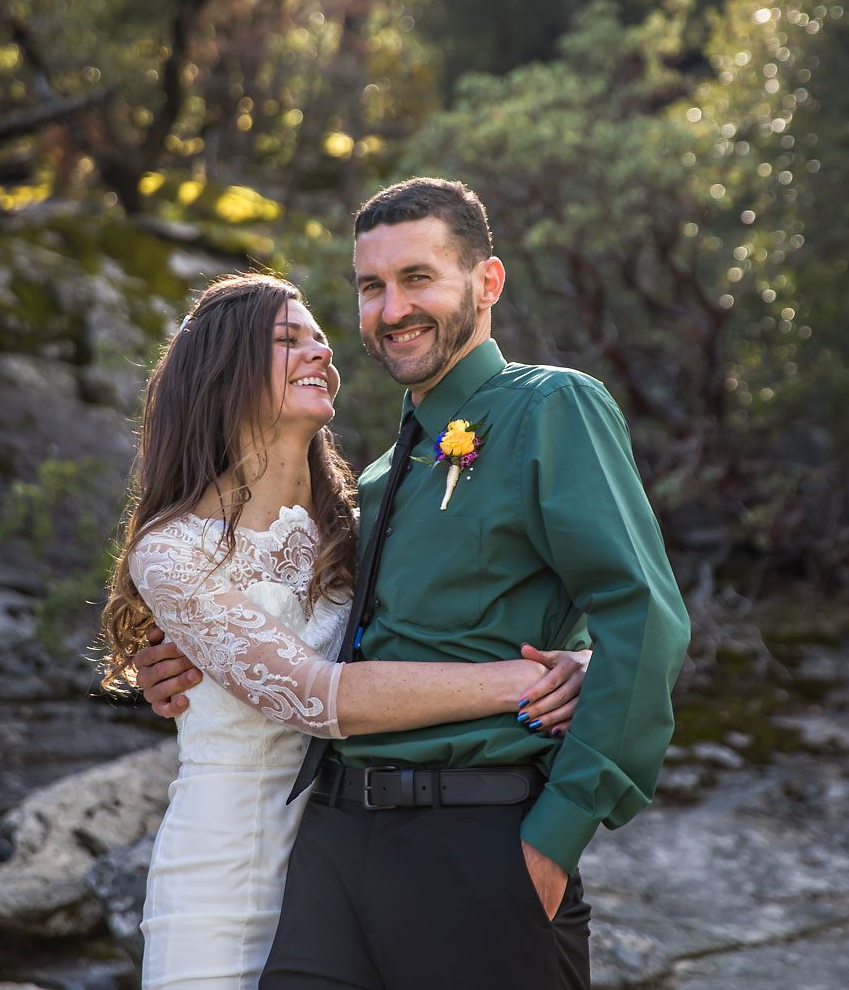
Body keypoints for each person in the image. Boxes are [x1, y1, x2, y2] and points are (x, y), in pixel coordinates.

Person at [135, 178, 692, 990]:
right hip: (328, 846)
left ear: (487, 282)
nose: (393, 308)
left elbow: (643, 614)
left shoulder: (552, 406)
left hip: (476, 839)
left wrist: (557, 834)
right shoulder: (376, 476)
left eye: (418, 278)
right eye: (371, 287)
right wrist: (179, 661)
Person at [97, 273, 591, 990]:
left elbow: (468, 618)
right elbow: (311, 695)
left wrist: (583, 655)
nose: (320, 355)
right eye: (288, 340)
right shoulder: (173, 551)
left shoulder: (354, 532)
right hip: (225, 874)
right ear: (222, 371)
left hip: (350, 864)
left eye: (322, 342)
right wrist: (528, 682)